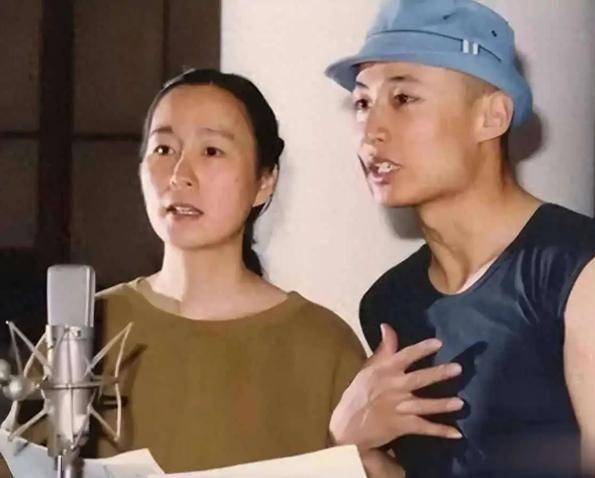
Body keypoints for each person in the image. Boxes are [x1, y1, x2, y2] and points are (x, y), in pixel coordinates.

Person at [325, 1, 595, 477]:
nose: (371, 132)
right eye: (363, 103)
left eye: (404, 98)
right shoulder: (389, 302)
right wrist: (348, 446)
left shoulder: (585, 279)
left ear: (492, 117)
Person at [4, 69, 368, 474]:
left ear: (265, 181)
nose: (179, 175)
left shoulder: (324, 346)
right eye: (163, 149)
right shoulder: (85, 327)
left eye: (211, 151)